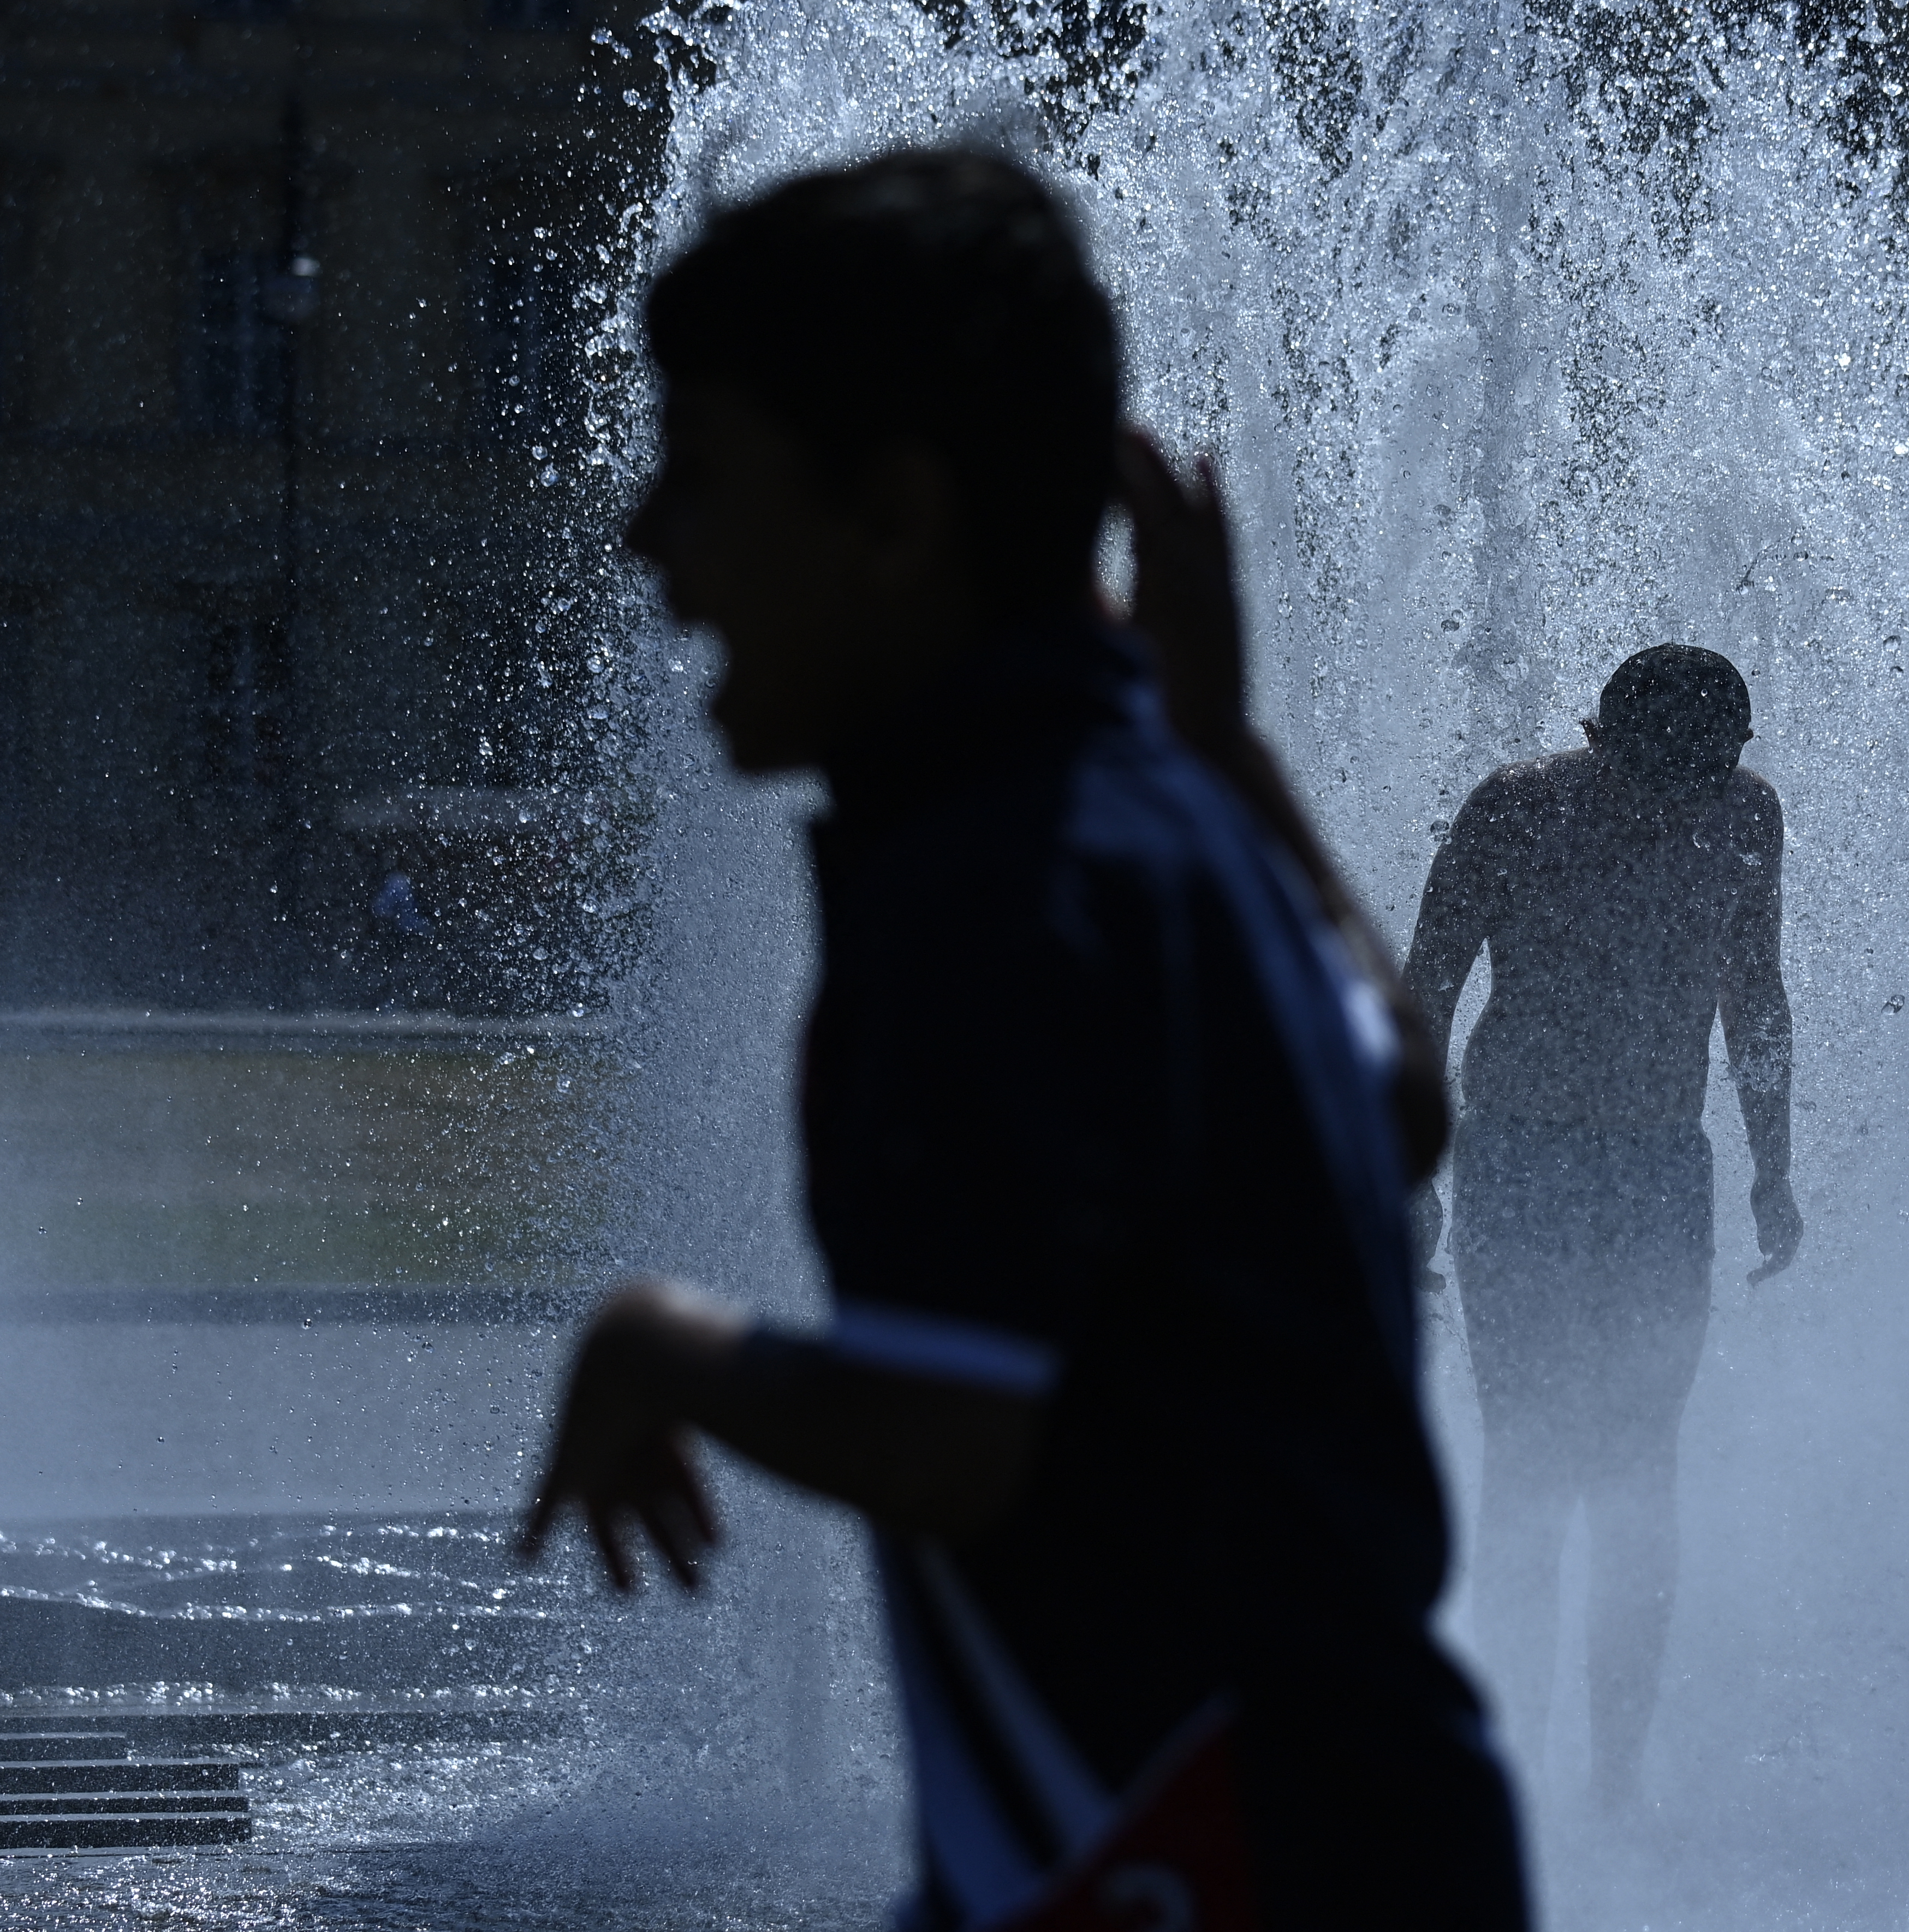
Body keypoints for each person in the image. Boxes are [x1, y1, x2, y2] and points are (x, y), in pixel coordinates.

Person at [516, 148, 1527, 1932]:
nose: (647, 545)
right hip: (1359, 1829)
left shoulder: (992, 882)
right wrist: (1237, 747)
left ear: (893, 519)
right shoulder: (1159, 805)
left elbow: (952, 1437)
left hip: (1182, 1857)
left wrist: (659, 1340)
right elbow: (1404, 1092)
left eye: (699, 481)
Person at [1401, 644, 1801, 1813]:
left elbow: (1757, 991)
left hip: (1660, 1172)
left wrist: (1774, 1164)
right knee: (1530, 1460)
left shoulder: (1743, 813)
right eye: (1656, 782)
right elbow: (1425, 985)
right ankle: (1515, 1764)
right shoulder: (1518, 810)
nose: (1676, 811)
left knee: (1637, 1472)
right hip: (1519, 1161)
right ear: (1604, 745)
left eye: (1704, 781)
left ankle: (1614, 1780)